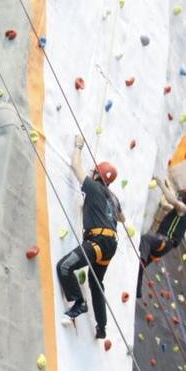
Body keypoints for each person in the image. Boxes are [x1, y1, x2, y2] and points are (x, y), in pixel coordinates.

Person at [57, 136, 125, 339]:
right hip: (110, 244)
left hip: (98, 242)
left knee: (65, 267)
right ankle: (102, 327)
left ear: (97, 175)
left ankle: (79, 302)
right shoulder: (114, 197)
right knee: (97, 283)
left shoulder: (94, 188)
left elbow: (75, 166)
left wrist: (78, 145)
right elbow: (122, 218)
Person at [136, 177, 186, 297]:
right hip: (163, 246)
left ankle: (138, 284)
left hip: (163, 241)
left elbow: (172, 200)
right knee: (139, 266)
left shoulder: (183, 209)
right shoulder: (180, 212)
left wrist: (161, 185)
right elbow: (166, 204)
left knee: (145, 239)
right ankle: (136, 288)